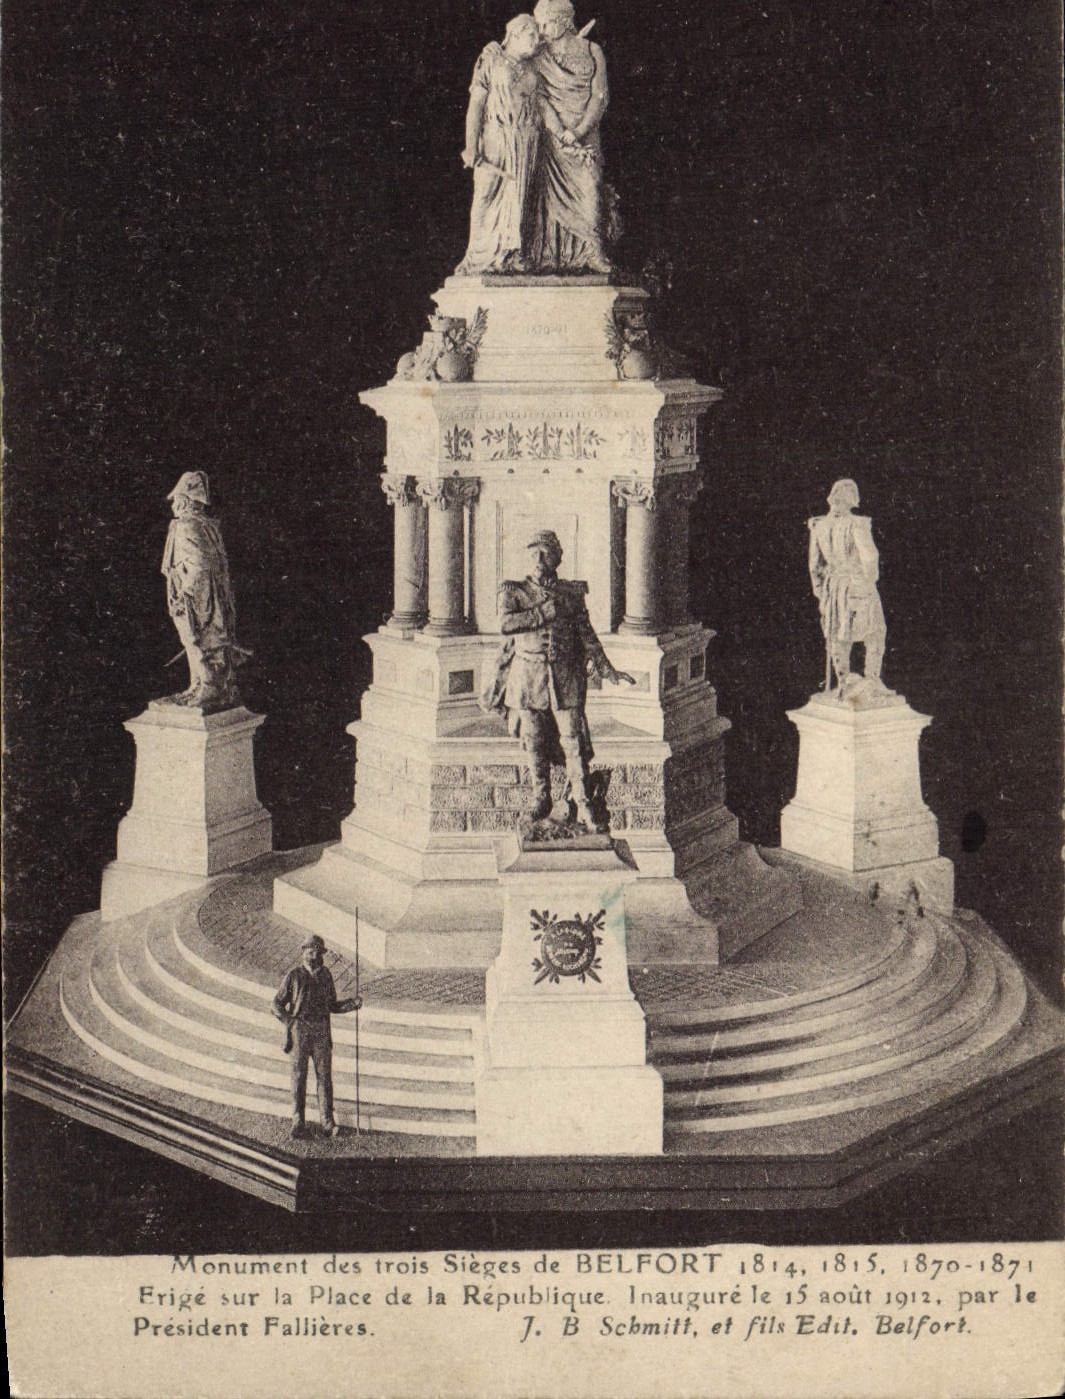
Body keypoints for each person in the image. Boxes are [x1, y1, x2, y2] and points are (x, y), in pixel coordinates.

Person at [483, 529, 635, 828]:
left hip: (565, 677)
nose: (539, 559)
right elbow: (504, 624)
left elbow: (587, 635)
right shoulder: (514, 591)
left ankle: (583, 802)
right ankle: (541, 799)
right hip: (528, 679)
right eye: (534, 553)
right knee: (534, 742)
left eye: (546, 553)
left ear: (557, 557)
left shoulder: (571, 594)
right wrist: (543, 612)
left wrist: (608, 669)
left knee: (574, 742)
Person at [456, 14, 544, 276]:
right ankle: (477, 257)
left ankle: (513, 255)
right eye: (532, 35)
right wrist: (471, 145)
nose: (537, 41)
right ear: (515, 34)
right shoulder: (491, 58)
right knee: (487, 194)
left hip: (526, 138)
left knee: (521, 198)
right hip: (496, 136)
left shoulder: (532, 68)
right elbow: (476, 106)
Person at [529, 0, 612, 274]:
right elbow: (539, 98)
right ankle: (552, 256)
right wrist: (559, 130)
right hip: (554, 139)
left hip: (585, 137)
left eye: (546, 23)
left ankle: (592, 252)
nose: (540, 30)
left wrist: (578, 131)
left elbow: (600, 97)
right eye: (537, 24)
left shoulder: (592, 50)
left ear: (565, 21)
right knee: (547, 197)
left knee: (590, 189)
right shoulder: (538, 55)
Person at [161, 471, 247, 710]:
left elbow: (199, 565)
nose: (174, 504)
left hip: (196, 594)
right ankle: (200, 684)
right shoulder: (208, 525)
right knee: (203, 638)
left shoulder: (187, 526)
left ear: (186, 500)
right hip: (211, 593)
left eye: (178, 499)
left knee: (197, 637)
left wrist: (187, 595)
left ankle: (209, 687)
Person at [272, 935, 362, 1139]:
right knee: (298, 1077)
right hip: (299, 1030)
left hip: (321, 1030)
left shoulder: (326, 976)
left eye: (317, 951)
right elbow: (276, 1004)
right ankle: (298, 1121)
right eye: (310, 950)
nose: (314, 954)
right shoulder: (294, 975)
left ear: (322, 954)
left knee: (324, 1078)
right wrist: (289, 1022)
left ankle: (327, 1122)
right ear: (303, 951)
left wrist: (352, 1004)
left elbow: (333, 1005)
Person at [807, 479, 888, 697]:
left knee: (838, 636)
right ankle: (872, 678)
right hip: (857, 585)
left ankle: (843, 681)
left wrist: (821, 591)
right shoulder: (856, 524)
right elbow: (870, 557)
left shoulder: (818, 525)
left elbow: (814, 565)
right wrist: (869, 582)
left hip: (833, 588)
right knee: (876, 632)